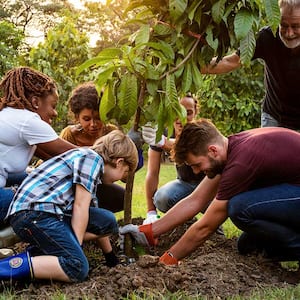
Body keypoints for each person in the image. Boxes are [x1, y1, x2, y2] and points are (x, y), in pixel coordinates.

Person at [120, 118, 300, 265]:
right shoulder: (229, 149)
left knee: (239, 208)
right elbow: (195, 200)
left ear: (212, 150)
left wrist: (167, 260)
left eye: (197, 165)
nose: (196, 172)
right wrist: (149, 231)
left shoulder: (240, 163)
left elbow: (205, 227)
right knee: (247, 246)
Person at [1, 130, 138, 282]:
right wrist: (76, 247)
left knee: (107, 221)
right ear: (119, 162)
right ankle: (3, 269)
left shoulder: (88, 164)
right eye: (125, 172)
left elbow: (91, 213)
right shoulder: (91, 159)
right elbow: (80, 207)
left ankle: (42, 253)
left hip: (42, 213)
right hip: (35, 213)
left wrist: (110, 257)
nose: (121, 179)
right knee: (77, 266)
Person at [201, 0, 300, 130]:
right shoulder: (267, 37)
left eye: (296, 26)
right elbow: (230, 61)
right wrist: (193, 66)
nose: (289, 33)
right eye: (284, 25)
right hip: (274, 117)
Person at [0, 66, 75, 227]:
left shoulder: (9, 114)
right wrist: (111, 147)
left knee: (33, 178)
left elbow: (54, 158)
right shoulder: (27, 120)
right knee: (47, 195)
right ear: (35, 102)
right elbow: (75, 155)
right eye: (53, 106)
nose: (55, 113)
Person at [60, 82, 144, 213]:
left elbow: (124, 177)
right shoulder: (69, 135)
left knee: (121, 197)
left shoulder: (111, 134)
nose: (93, 124)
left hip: (99, 187)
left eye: (98, 118)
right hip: (72, 188)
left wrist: (136, 149)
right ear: (77, 118)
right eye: (86, 119)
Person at [142, 95, 205, 224]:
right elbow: (152, 173)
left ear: (195, 113)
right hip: (184, 183)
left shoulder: (202, 130)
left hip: (207, 185)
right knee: (162, 198)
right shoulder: (164, 133)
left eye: (188, 113)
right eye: (177, 111)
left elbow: (187, 146)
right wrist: (151, 211)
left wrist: (163, 142)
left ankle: (213, 226)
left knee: (212, 210)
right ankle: (187, 221)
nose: (181, 117)